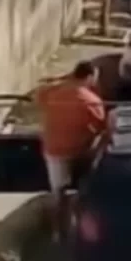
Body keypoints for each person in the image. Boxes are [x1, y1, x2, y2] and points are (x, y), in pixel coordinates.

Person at [35, 61, 108, 241]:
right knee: (85, 188)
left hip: (53, 150)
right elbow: (101, 126)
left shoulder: (53, 93)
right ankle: (84, 227)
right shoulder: (91, 101)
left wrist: (63, 80)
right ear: (90, 77)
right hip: (79, 151)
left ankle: (58, 232)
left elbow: (38, 93)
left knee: (58, 192)